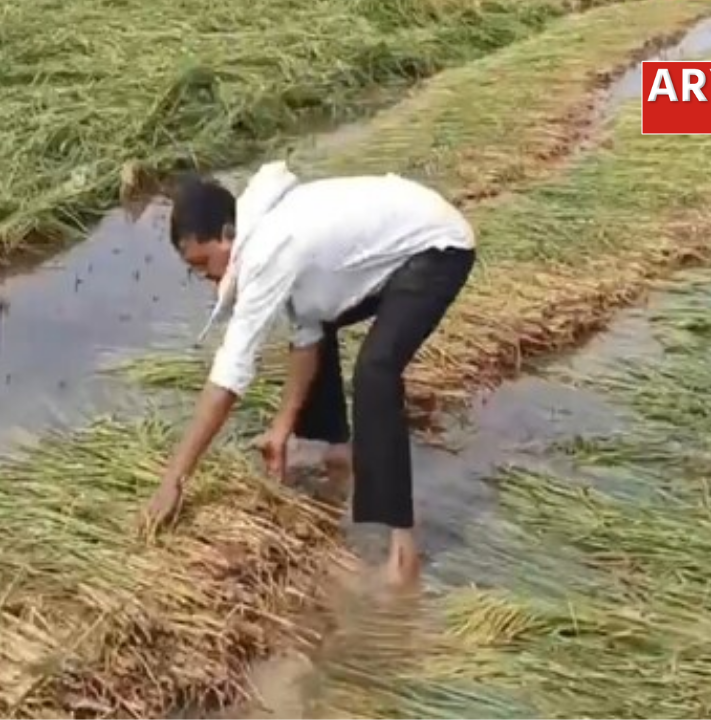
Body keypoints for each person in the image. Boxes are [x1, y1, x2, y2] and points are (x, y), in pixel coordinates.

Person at [142, 160, 476, 587]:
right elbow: (307, 333)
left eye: (205, 262)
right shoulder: (265, 236)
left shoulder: (269, 248)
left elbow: (228, 376)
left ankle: (403, 553)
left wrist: (174, 480)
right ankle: (337, 448)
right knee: (323, 322)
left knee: (376, 371)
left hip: (440, 249)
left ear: (228, 235)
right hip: (405, 250)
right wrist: (281, 429)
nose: (209, 278)